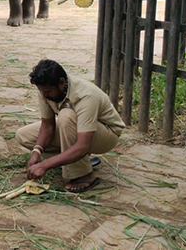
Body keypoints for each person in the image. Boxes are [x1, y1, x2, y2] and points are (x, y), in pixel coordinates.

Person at [16, 59, 125, 192]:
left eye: (48, 92)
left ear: (62, 82)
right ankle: (73, 161)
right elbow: (48, 126)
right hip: (78, 128)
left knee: (66, 116)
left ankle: (84, 175)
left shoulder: (85, 95)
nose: (44, 95)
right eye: (42, 92)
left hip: (107, 135)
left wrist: (45, 165)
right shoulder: (45, 89)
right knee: (23, 135)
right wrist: (36, 152)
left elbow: (83, 145)